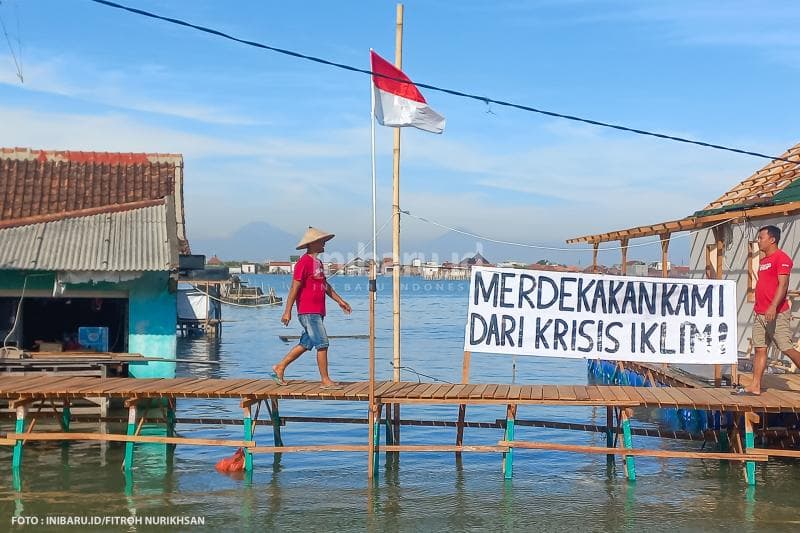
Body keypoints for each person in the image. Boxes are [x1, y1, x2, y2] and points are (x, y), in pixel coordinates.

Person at [271, 227, 351, 388]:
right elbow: (294, 288)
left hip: (318, 311)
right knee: (322, 344)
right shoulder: (304, 263)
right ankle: (326, 380)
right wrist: (287, 311)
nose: (325, 244)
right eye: (322, 241)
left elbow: (325, 286)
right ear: (313, 243)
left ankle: (280, 367)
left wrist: (340, 301)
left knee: (306, 344)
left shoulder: (318, 263)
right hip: (308, 312)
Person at [739, 225, 800, 395]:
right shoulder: (764, 261)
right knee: (760, 348)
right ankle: (755, 385)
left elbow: (783, 285)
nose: (758, 241)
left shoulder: (782, 258)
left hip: (776, 312)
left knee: (785, 347)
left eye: (761, 238)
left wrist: (773, 306)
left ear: (772, 239)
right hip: (760, 312)